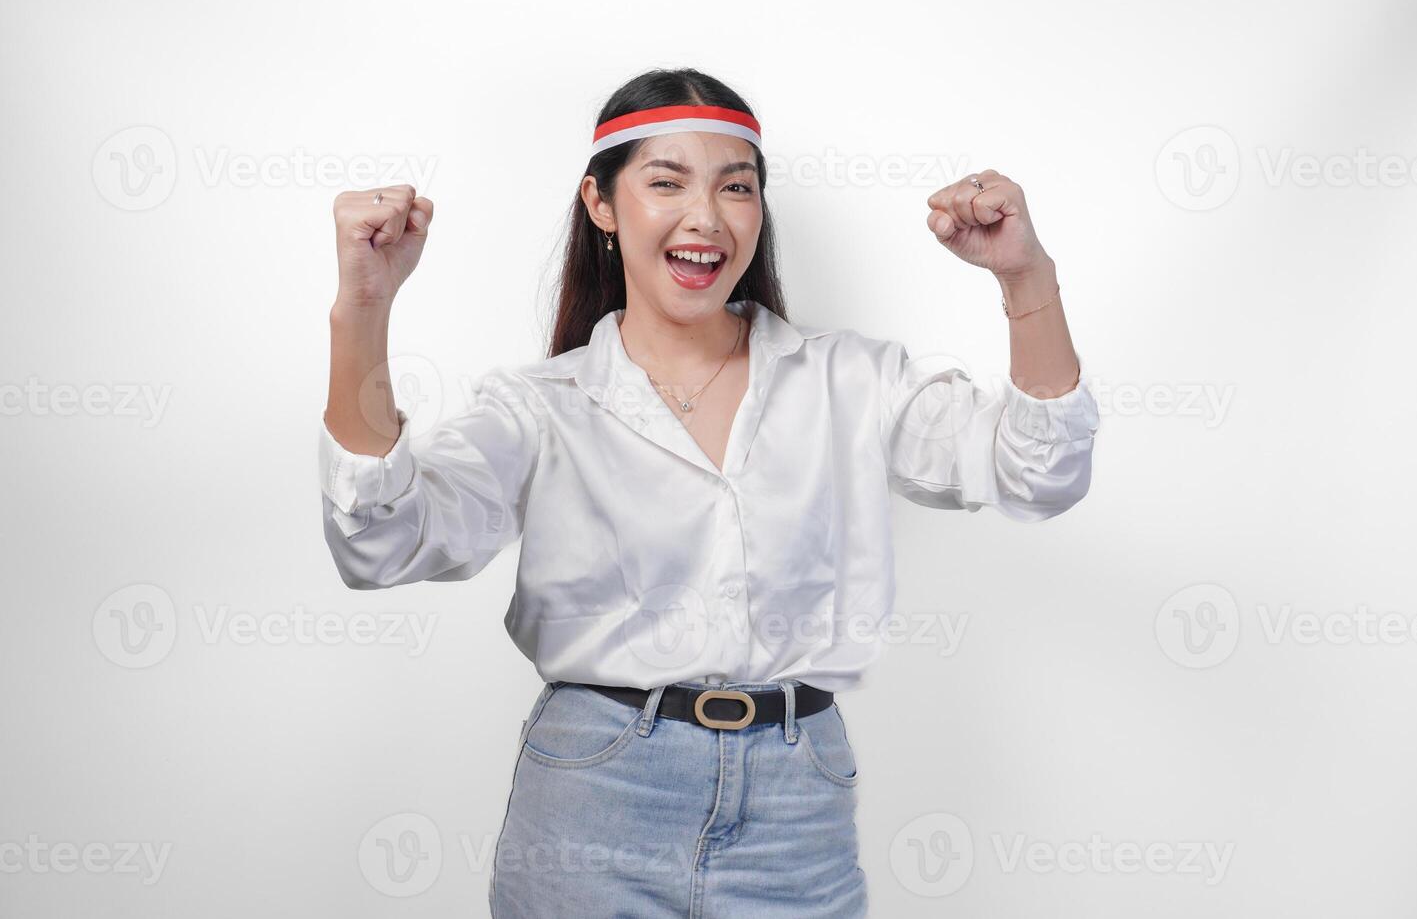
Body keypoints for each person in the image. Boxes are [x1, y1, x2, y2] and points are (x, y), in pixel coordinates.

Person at [318, 68, 1098, 917]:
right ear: (601, 204)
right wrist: (363, 307)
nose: (707, 216)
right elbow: (381, 543)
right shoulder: (540, 407)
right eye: (666, 181)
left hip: (799, 805)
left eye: (737, 186)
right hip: (597, 797)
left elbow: (1039, 473)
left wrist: (1025, 278)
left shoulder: (851, 379)